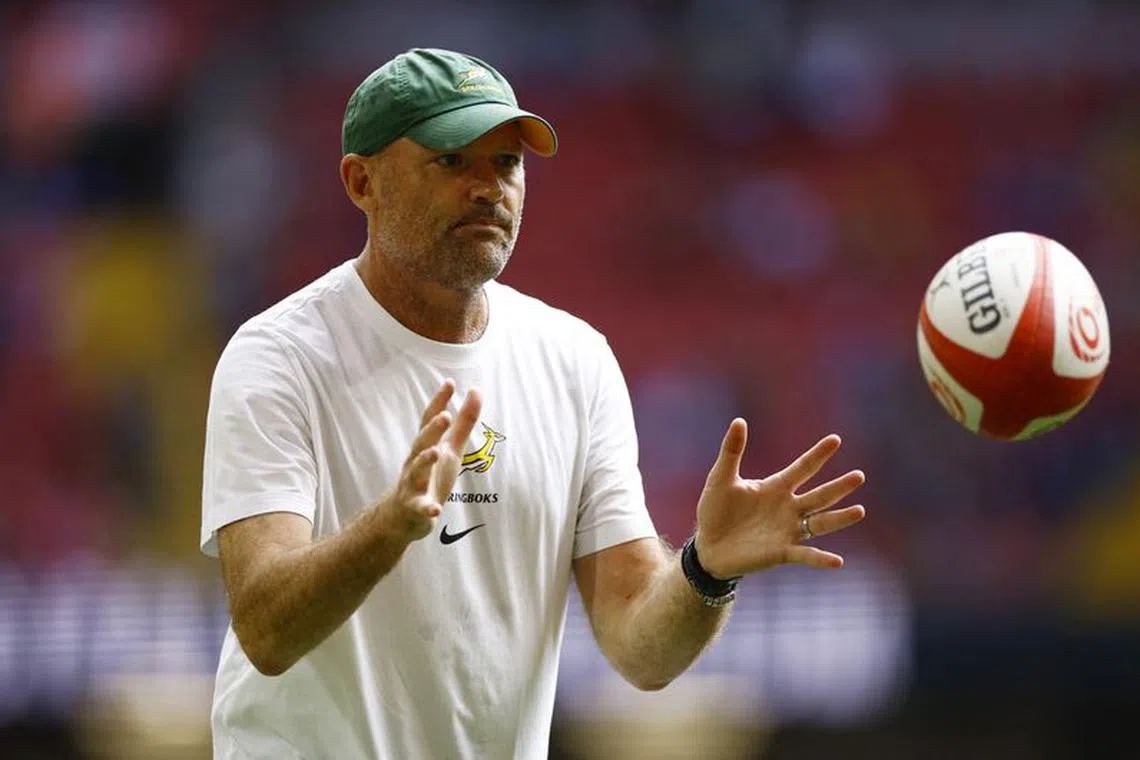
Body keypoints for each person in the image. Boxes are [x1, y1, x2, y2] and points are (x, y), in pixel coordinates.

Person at [200, 47, 867, 759]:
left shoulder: (573, 359)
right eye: (452, 161)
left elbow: (640, 649)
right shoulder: (279, 356)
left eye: (507, 163)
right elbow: (266, 630)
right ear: (362, 182)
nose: (489, 188)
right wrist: (389, 528)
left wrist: (706, 571)